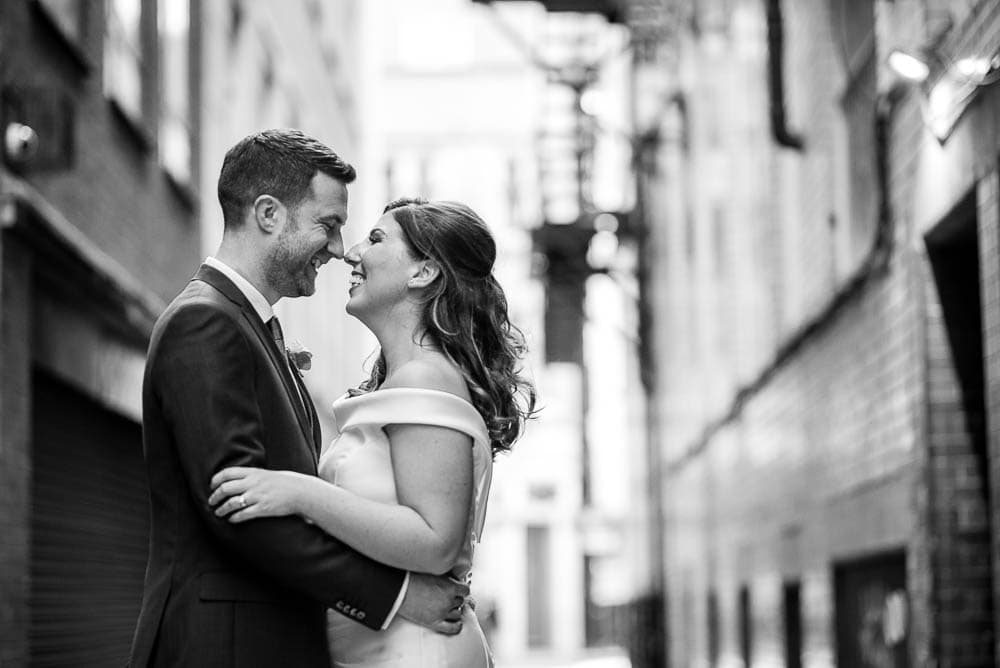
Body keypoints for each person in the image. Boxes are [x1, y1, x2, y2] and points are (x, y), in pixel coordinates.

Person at [128, 132, 469, 668]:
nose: (338, 249)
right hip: (225, 646)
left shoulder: (247, 325)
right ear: (268, 214)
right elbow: (239, 508)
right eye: (328, 225)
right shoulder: (205, 322)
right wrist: (396, 596)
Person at [208, 197, 536, 667]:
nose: (351, 252)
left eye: (377, 239)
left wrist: (298, 493)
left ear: (423, 273)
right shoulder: (405, 381)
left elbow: (435, 542)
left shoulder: (425, 377)